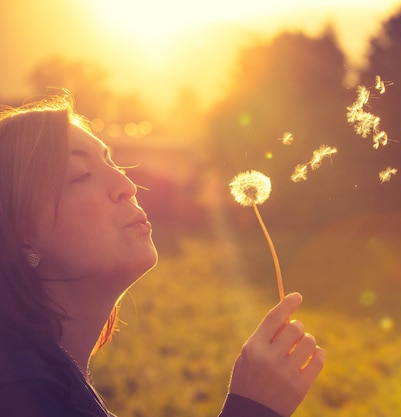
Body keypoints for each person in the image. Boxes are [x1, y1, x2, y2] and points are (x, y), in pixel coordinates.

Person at [0, 92, 325, 417]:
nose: (126, 184)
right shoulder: (18, 393)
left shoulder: (40, 382)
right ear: (22, 234)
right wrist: (252, 409)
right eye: (80, 174)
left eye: (113, 163)